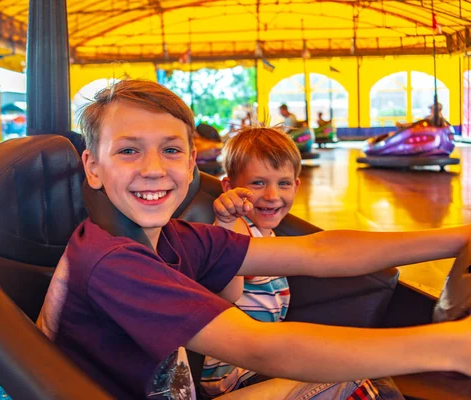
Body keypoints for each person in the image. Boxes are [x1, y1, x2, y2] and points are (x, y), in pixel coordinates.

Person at [37, 79, 471, 400]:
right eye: (129, 150)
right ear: (92, 167)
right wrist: (444, 348)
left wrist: (456, 237)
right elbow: (259, 346)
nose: (153, 168)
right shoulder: (112, 261)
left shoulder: (176, 237)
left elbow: (317, 251)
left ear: (191, 164)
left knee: (360, 382)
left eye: (170, 150)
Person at [200, 126, 402, 399]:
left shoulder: (270, 235)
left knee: (364, 365)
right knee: (356, 366)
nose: (272, 195)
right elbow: (229, 293)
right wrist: (225, 221)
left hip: (259, 360)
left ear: (296, 185)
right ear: (229, 187)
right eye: (258, 183)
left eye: (283, 183)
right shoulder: (238, 228)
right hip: (234, 374)